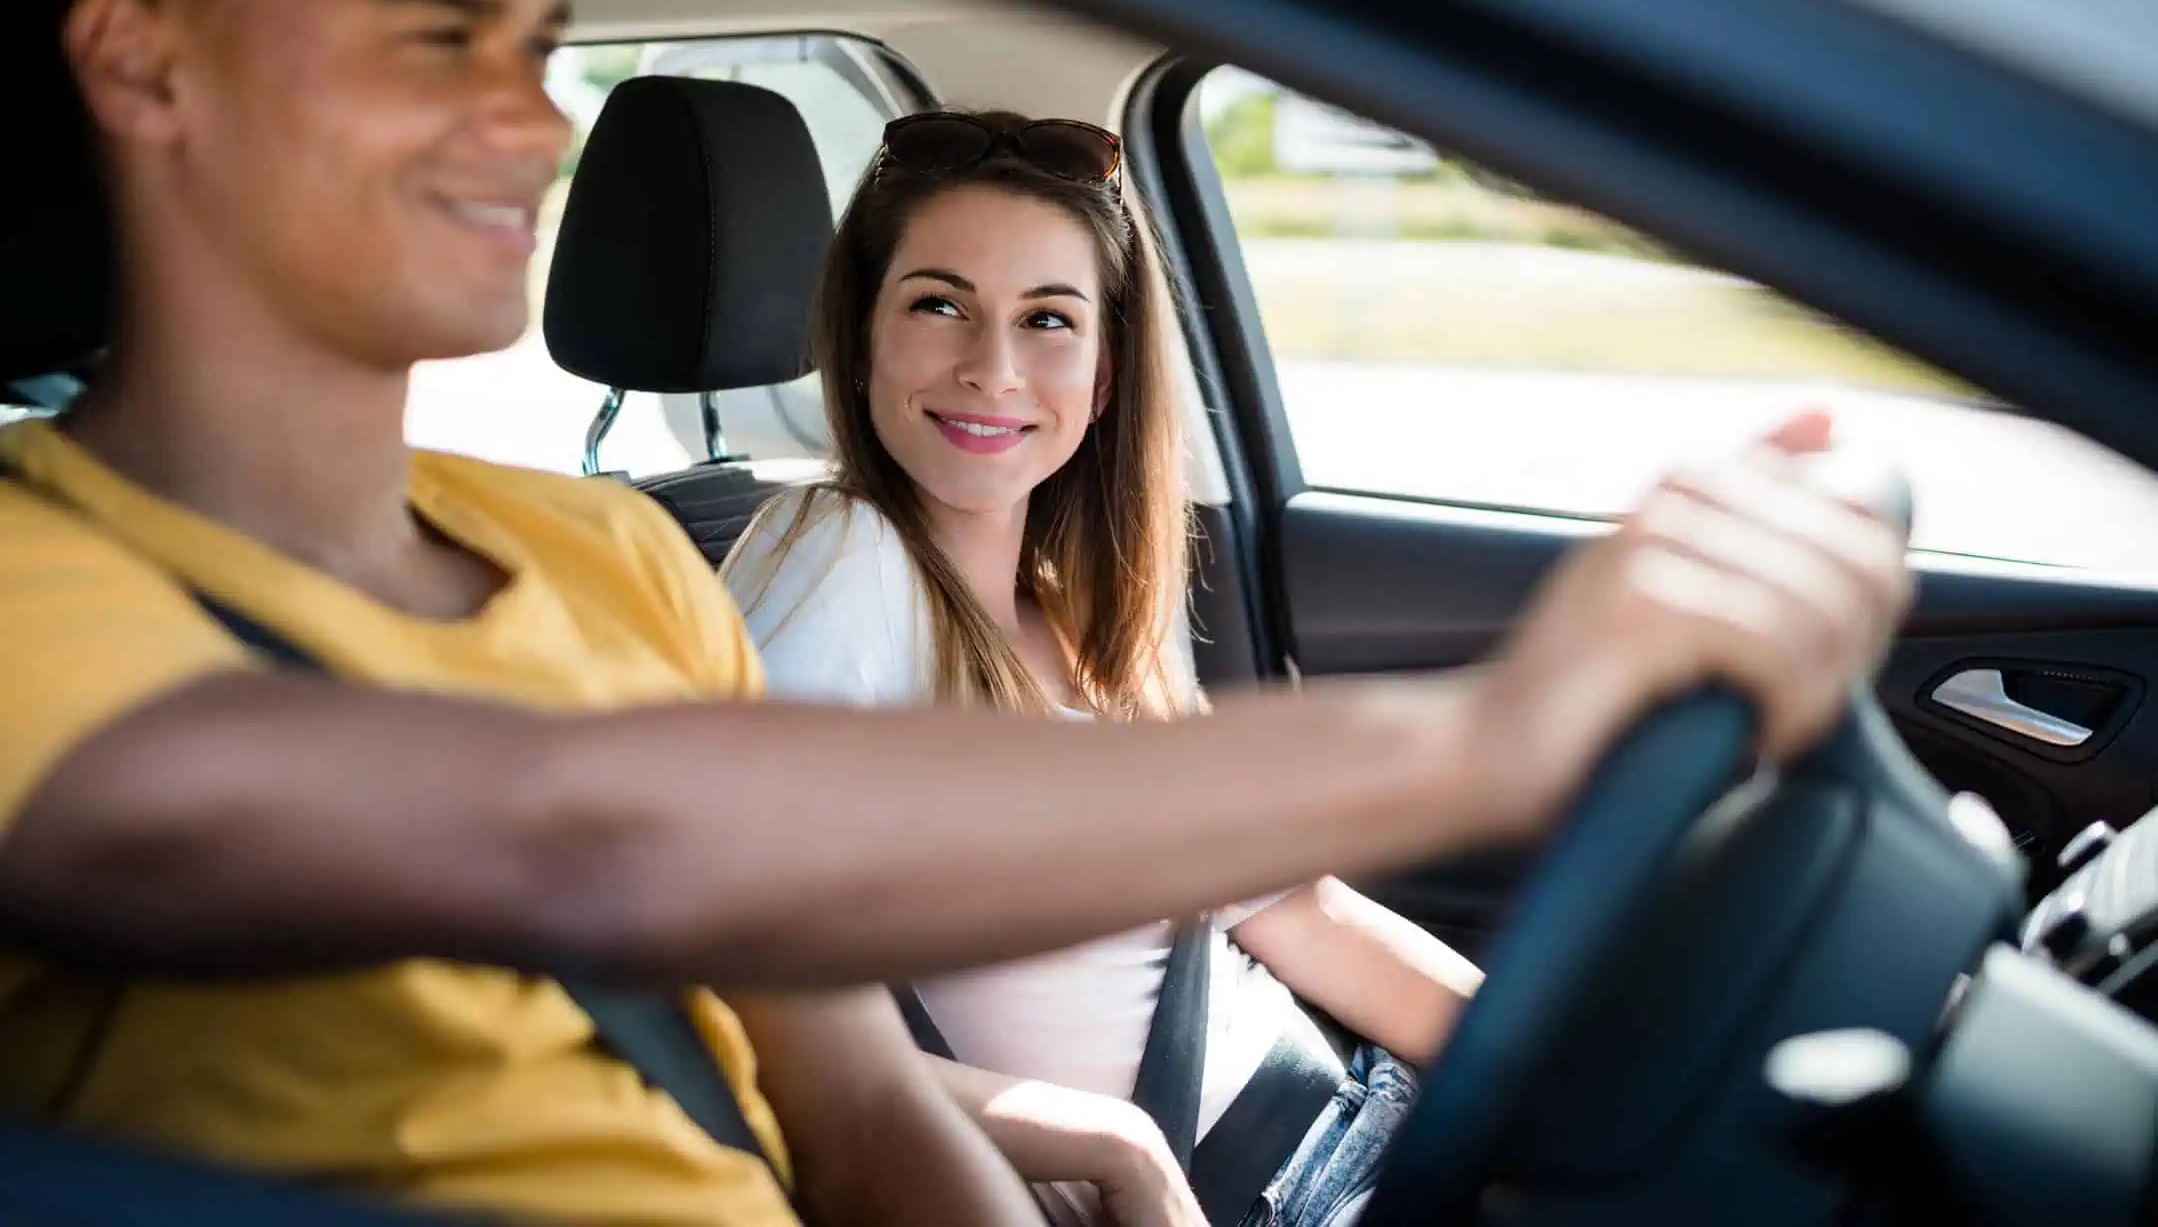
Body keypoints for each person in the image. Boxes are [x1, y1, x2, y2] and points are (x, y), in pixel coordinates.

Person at [0, 0, 1913, 1227]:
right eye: (438, 36)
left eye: (534, 44)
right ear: (142, 66)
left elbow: (846, 1102)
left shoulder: (601, 558)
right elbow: (580, 843)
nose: (537, 119)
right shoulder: (31, 581)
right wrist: (1476, 740)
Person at [716, 112, 1831, 1226]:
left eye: (1048, 319)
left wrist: (1555, 1073)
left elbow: (1293, 913)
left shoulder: (1088, 609)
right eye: (939, 304)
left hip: (1355, 1114)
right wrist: (1115, 1149)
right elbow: (726, 990)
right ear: (863, 337)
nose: (992, 368)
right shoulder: (834, 552)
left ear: (1103, 378)